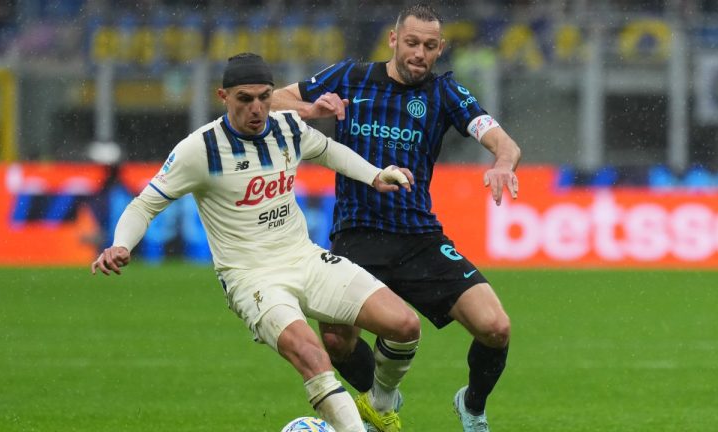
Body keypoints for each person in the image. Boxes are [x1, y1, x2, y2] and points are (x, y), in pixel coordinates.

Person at [91, 53, 422, 432]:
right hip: (252, 278)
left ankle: (379, 404)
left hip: (304, 258)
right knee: (314, 357)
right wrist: (120, 244)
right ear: (223, 96)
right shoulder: (200, 150)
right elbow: (144, 204)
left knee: (405, 324)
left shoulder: (287, 128)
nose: (257, 108)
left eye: (264, 96)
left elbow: (328, 151)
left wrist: (375, 174)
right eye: (245, 99)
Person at [272, 4, 521, 432]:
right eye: (411, 43)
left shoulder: (446, 94)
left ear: (440, 49)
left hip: (418, 236)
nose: (419, 54)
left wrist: (502, 162)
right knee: (335, 340)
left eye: (429, 46)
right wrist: (311, 110)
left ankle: (472, 407)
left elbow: (504, 142)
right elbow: (277, 98)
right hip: (356, 235)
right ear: (393, 40)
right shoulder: (350, 77)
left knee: (495, 327)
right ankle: (380, 400)